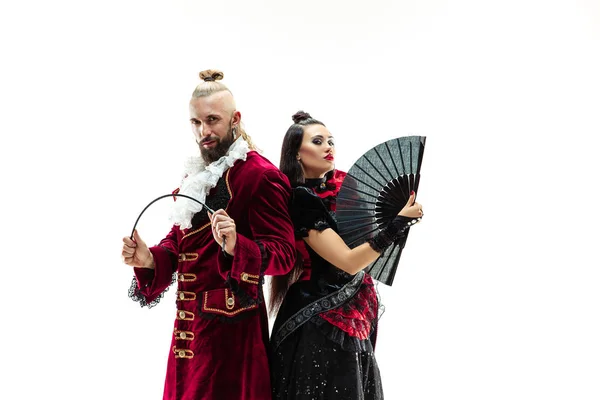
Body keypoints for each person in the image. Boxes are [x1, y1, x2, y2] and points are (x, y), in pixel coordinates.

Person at [121, 69, 296, 400]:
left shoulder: (260, 176)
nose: (204, 131)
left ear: (235, 119)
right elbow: (179, 241)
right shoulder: (197, 175)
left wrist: (237, 245)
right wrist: (149, 258)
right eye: (196, 122)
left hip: (234, 342)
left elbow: (284, 254)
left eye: (213, 120)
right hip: (189, 338)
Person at [269, 111, 424, 399]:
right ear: (297, 154)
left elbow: (366, 253)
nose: (329, 147)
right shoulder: (302, 200)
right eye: (317, 141)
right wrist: (397, 224)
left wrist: (395, 222)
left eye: (331, 140)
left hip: (354, 318)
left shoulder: (344, 192)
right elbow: (349, 261)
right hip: (317, 319)